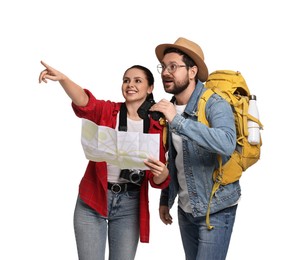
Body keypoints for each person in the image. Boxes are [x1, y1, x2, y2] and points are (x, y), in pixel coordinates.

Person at [38, 61, 170, 260]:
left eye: (137, 81)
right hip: (93, 197)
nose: (130, 85)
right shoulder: (108, 111)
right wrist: (64, 80)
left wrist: (163, 174)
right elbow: (85, 102)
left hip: (129, 204)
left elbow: (155, 180)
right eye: (126, 80)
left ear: (150, 88)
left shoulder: (158, 125)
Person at [149, 37, 240, 260]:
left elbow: (227, 142)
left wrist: (177, 122)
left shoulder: (214, 102)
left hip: (216, 209)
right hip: (186, 210)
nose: (165, 73)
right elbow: (175, 158)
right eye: (163, 67)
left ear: (192, 71)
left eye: (173, 67)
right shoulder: (169, 107)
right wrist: (165, 199)